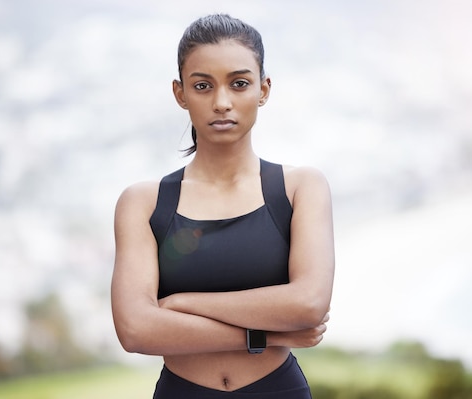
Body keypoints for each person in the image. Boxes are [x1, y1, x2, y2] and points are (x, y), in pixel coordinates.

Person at [111, 14, 335, 398]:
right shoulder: (143, 203)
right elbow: (135, 330)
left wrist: (184, 303)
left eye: (240, 83)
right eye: (203, 86)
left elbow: (309, 303)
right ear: (180, 93)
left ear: (263, 90)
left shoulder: (300, 188)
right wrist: (267, 333)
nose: (222, 102)